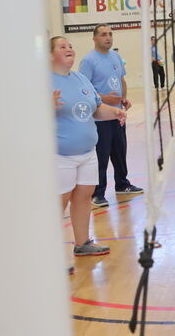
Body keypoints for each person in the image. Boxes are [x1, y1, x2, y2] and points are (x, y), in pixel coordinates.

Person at [50, 36, 127, 269]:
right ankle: (50, 257)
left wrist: (114, 112)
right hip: (59, 154)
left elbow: (95, 108)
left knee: (84, 196)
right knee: (57, 203)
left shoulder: (81, 79)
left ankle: (82, 243)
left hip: (87, 152)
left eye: (70, 46)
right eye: (62, 47)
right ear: (50, 55)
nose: (69, 49)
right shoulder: (42, 81)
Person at [79, 24, 143, 208]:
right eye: (103, 35)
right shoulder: (89, 61)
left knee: (120, 150)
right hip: (100, 117)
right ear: (94, 38)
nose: (108, 37)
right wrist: (103, 98)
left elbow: (121, 79)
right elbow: (84, 89)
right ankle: (97, 194)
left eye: (110, 34)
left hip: (117, 114)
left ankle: (122, 184)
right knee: (102, 154)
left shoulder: (116, 56)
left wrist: (123, 98)